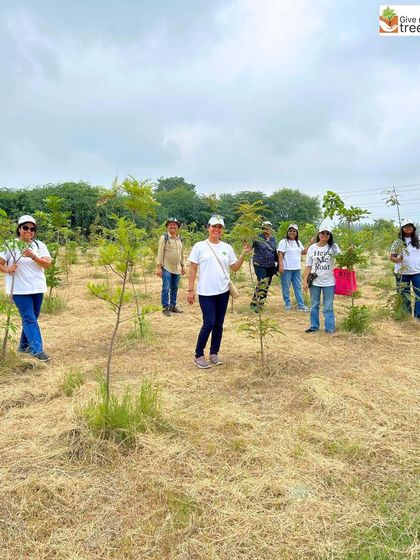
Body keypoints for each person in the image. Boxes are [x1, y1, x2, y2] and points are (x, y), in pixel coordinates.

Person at [187, 214, 251, 369]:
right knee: (209, 322)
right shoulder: (199, 246)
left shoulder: (226, 248)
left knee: (219, 324)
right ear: (208, 227)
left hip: (222, 292)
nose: (216, 229)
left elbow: (234, 267)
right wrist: (190, 289)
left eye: (219, 227)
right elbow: (193, 268)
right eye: (214, 226)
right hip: (206, 292)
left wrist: (243, 254)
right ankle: (198, 355)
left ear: (222, 230)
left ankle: (214, 353)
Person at [0, 215, 52, 360]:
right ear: (19, 229)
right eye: (25, 228)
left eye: (32, 229)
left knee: (32, 318)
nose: (29, 231)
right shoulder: (10, 245)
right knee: (29, 318)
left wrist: (34, 257)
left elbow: (47, 264)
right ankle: (37, 350)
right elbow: (0, 264)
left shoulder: (39, 245)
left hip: (37, 288)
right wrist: (7, 269)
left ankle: (23, 346)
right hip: (19, 290)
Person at [303, 227, 341, 333]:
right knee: (314, 304)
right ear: (319, 234)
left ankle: (329, 328)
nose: (325, 235)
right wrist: (304, 281)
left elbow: (342, 259)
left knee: (328, 305)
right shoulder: (312, 248)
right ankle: (314, 326)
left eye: (327, 233)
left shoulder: (333, 247)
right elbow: (308, 266)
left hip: (329, 281)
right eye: (322, 233)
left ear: (330, 236)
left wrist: (351, 252)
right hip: (315, 281)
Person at [277, 224, 314, 311]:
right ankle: (287, 304)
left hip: (296, 269)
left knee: (297, 287)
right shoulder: (283, 242)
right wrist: (281, 265)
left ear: (296, 233)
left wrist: (310, 243)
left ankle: (301, 305)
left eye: (294, 231)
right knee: (286, 287)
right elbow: (280, 254)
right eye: (290, 231)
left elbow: (304, 252)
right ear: (288, 232)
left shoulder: (298, 242)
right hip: (286, 268)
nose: (292, 232)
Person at [390, 219, 420, 319]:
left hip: (417, 272)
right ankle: (405, 315)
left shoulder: (418, 240)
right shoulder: (397, 242)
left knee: (418, 294)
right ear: (402, 228)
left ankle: (417, 316)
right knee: (403, 295)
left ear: (413, 228)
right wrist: (398, 259)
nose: (408, 228)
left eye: (410, 226)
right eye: (406, 226)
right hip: (402, 273)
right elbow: (392, 257)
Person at [156, 218, 185, 316]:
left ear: (178, 227)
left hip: (176, 268)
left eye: (175, 225)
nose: (173, 226)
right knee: (166, 288)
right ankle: (165, 308)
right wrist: (158, 267)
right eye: (170, 225)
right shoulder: (164, 238)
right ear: (167, 227)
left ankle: (172, 306)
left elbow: (181, 254)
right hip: (166, 268)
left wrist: (183, 266)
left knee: (175, 288)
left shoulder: (179, 239)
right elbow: (160, 253)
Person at [250, 221, 278, 311]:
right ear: (262, 228)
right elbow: (249, 246)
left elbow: (274, 251)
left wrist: (277, 264)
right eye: (265, 227)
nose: (267, 229)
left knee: (267, 284)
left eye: (269, 227)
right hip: (259, 264)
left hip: (270, 265)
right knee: (262, 282)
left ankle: (260, 303)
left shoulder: (273, 239)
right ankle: (254, 304)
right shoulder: (257, 238)